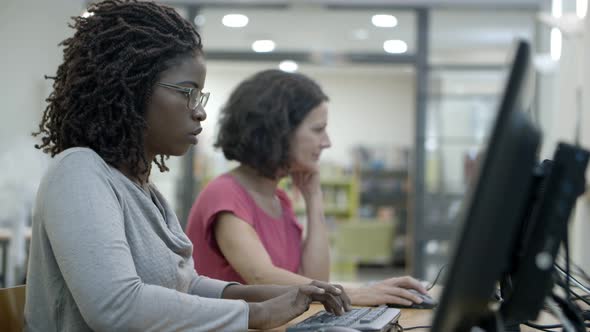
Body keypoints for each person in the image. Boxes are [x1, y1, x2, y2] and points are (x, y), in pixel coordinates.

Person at [25, 1, 351, 331]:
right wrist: (257, 313)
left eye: (200, 97)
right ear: (132, 90)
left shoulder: (145, 192)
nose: (199, 112)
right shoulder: (79, 172)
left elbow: (186, 285)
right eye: (187, 93)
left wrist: (277, 295)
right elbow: (117, 308)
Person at [186, 69, 429, 307]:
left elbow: (316, 280)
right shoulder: (224, 194)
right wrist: (356, 293)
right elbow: (261, 276)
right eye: (317, 129)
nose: (327, 142)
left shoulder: (280, 199)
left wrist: (314, 200)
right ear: (278, 131)